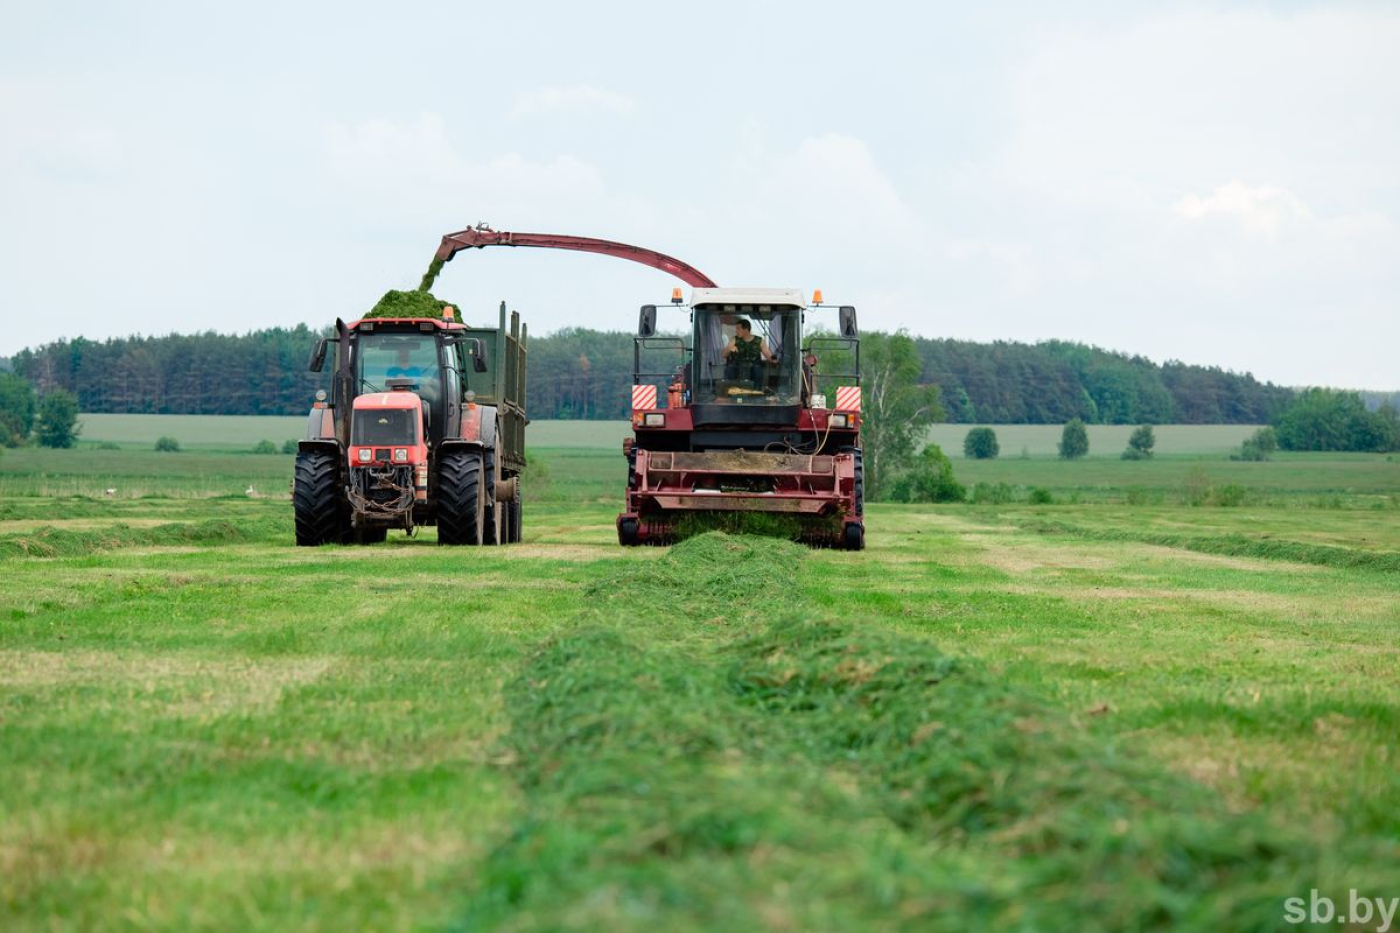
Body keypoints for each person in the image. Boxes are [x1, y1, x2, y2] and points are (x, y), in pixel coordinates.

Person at [723, 319, 775, 386]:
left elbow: (769, 356)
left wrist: (774, 360)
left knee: (757, 370)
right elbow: (724, 355)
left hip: (754, 366)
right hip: (738, 366)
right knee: (730, 368)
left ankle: (757, 391)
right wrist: (729, 348)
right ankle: (727, 391)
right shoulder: (734, 340)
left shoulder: (759, 341)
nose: (736, 331)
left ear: (746, 329)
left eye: (738, 329)